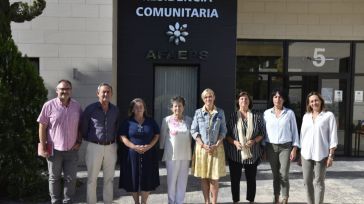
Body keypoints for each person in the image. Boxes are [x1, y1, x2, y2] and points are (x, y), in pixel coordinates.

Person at [37, 79, 82, 204]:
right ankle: (55, 201)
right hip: (54, 150)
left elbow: (80, 126)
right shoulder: (49, 105)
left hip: (72, 150)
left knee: (71, 179)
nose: (64, 91)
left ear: (71, 91)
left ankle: (68, 201)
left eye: (67, 89)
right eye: (62, 89)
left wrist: (79, 141)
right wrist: (43, 146)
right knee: (54, 178)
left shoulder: (77, 106)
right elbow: (42, 127)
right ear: (57, 91)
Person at [81, 82, 119, 204]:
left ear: (111, 94)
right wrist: (92, 140)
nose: (106, 94)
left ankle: (108, 201)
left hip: (111, 147)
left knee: (109, 178)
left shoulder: (115, 110)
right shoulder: (90, 109)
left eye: (108, 92)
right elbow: (83, 128)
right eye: (103, 91)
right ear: (98, 93)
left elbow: (116, 127)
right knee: (92, 178)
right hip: (94, 146)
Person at [225, 91, 265, 204]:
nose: (244, 101)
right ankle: (235, 201)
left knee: (251, 180)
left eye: (246, 99)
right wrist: (234, 142)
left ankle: (251, 200)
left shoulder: (256, 117)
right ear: (238, 101)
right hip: (235, 153)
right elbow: (226, 135)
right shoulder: (233, 116)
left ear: (249, 101)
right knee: (235, 180)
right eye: (241, 99)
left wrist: (254, 141)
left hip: (252, 153)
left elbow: (262, 133)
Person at [119, 98, 160, 204]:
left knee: (147, 178)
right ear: (132, 109)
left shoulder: (150, 121)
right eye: (136, 107)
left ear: (144, 108)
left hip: (149, 153)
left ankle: (144, 202)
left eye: (141, 107)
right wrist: (134, 146)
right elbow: (123, 137)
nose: (139, 109)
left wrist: (149, 146)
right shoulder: (127, 122)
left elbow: (157, 134)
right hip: (132, 154)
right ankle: (136, 202)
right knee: (132, 178)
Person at [190, 88, 227, 204]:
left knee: (214, 178)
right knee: (204, 177)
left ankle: (214, 202)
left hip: (217, 149)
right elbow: (193, 131)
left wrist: (217, 144)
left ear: (214, 97)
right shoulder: (198, 113)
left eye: (210, 96)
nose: (208, 99)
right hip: (202, 149)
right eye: (206, 97)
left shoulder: (220, 112)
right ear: (203, 99)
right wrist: (202, 144)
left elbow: (223, 131)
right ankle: (207, 201)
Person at [300, 91, 338, 204]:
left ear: (321, 101)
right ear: (309, 103)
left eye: (316, 100)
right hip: (306, 154)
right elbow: (302, 135)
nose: (314, 103)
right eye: (311, 101)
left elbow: (333, 137)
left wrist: (331, 156)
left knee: (319, 182)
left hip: (321, 154)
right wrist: (300, 153)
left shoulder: (328, 116)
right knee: (307, 181)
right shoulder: (306, 117)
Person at [263, 89, 300, 204]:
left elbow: (295, 131)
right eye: (275, 97)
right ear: (272, 99)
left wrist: (295, 148)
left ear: (284, 99)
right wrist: (264, 148)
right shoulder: (267, 113)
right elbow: (264, 132)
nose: (277, 99)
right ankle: (276, 196)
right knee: (275, 174)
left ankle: (285, 197)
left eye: (280, 97)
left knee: (283, 173)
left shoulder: (289, 113)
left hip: (286, 147)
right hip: (271, 147)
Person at [160, 96, 192, 204]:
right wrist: (161, 151)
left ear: (183, 107)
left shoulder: (189, 120)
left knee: (183, 181)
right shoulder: (166, 120)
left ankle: (180, 202)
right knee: (171, 181)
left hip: (185, 154)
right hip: (171, 155)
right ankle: (171, 201)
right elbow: (162, 137)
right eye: (175, 106)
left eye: (180, 106)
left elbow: (192, 137)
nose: (177, 108)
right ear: (171, 108)